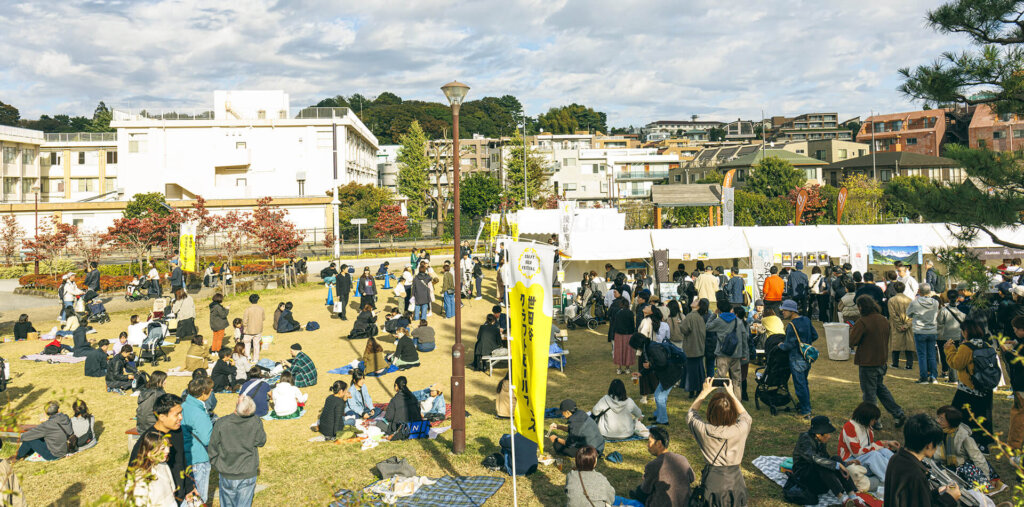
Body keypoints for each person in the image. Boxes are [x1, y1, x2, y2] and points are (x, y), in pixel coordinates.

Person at [129, 394, 199, 504]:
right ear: (162, 417)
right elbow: (131, 478)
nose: (181, 417)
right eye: (177, 414)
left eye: (181, 413)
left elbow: (181, 460)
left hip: (179, 498)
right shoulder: (147, 443)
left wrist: (189, 488)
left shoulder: (177, 431)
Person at [849, 296, 907, 429]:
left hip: (868, 362)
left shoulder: (863, 322)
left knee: (869, 394)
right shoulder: (883, 320)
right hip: (881, 361)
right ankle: (898, 413)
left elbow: (852, 341)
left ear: (862, 307)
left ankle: (873, 421)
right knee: (880, 389)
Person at [884, 413, 961, 506]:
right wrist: (950, 498)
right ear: (929, 445)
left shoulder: (896, 458)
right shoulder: (916, 474)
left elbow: (913, 499)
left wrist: (936, 492)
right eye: (936, 444)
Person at [944, 318, 996, 451]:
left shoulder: (966, 347)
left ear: (965, 332)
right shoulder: (987, 345)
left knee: (958, 416)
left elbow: (956, 364)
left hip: (968, 388)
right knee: (982, 416)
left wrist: (949, 350)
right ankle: (983, 444)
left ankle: (955, 443)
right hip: (984, 387)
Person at [791, 415, 863, 506]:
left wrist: (844, 463)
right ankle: (842, 498)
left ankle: (852, 496)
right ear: (818, 434)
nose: (829, 436)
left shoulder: (820, 440)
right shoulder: (805, 439)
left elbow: (826, 458)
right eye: (827, 434)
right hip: (804, 479)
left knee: (836, 458)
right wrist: (836, 465)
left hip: (819, 478)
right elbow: (813, 458)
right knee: (822, 464)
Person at [210, 394, 266, 507]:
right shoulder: (255, 421)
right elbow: (261, 441)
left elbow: (212, 447)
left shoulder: (221, 423)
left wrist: (218, 465)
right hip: (247, 472)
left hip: (227, 472)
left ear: (237, 405)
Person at [935, 405, 1004, 493]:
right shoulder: (937, 431)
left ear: (950, 422)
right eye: (938, 418)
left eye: (941, 419)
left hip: (961, 466)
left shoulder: (964, 437)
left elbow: (977, 457)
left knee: (972, 478)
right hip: (944, 464)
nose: (937, 421)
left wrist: (985, 477)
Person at [838, 402, 900, 480]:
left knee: (884, 451)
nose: (875, 422)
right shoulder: (849, 427)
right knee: (874, 455)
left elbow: (869, 446)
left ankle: (902, 468)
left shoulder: (867, 427)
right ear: (866, 418)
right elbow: (857, 452)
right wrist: (881, 444)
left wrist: (885, 444)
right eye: (874, 419)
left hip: (864, 457)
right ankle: (891, 478)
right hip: (850, 461)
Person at [779, 299, 818, 418]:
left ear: (792, 311)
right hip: (807, 357)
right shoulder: (806, 320)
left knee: (800, 385)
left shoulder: (791, 325)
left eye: (785, 310)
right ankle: (804, 405)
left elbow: (788, 345)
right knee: (804, 383)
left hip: (796, 358)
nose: (783, 312)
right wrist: (805, 343)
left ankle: (805, 411)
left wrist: (780, 345)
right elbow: (815, 335)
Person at [707, 301, 748, 400]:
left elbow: (707, 326)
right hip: (736, 353)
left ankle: (720, 400)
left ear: (719, 310)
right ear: (731, 310)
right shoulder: (738, 321)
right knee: (736, 379)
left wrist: (714, 314)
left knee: (721, 378)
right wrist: (744, 353)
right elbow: (744, 338)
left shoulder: (719, 320)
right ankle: (737, 401)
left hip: (722, 353)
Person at [182, 378, 214, 503]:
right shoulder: (199, 413)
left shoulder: (184, 405)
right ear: (203, 393)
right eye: (210, 390)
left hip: (186, 455)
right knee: (199, 498)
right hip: (199, 457)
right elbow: (207, 439)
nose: (212, 391)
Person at [128, 431, 178, 507]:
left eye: (168, 446)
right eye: (163, 448)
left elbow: (172, 490)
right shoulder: (141, 476)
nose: (168, 451)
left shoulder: (164, 465)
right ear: (149, 451)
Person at [1003, 316, 1024, 451]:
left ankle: (1014, 446)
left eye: (1016, 329)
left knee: (1018, 415)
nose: (1014, 331)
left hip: (1021, 384)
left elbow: (1017, 361)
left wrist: (1008, 352)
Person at [937, 290, 966, 383]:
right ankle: (961, 378)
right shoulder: (963, 308)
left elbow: (939, 322)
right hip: (961, 335)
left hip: (948, 336)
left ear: (948, 298)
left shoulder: (944, 310)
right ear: (958, 298)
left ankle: (953, 378)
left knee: (951, 356)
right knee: (962, 357)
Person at [887, 281, 915, 370]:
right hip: (908, 324)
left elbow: (893, 315)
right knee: (908, 344)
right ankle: (909, 364)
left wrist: (899, 325)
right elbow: (913, 315)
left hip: (896, 325)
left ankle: (895, 363)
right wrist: (906, 325)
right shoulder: (910, 300)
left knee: (896, 344)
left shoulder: (891, 300)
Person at [611, 295, 637, 375]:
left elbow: (615, 325)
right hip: (629, 334)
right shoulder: (630, 313)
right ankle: (627, 369)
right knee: (628, 351)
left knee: (619, 351)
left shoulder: (618, 313)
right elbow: (633, 325)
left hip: (619, 334)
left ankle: (619, 369)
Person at [241, 294, 264, 362]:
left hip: (248, 330)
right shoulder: (261, 309)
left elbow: (245, 320)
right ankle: (255, 359)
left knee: (247, 344)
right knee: (256, 345)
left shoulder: (247, 309)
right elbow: (263, 318)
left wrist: (245, 327)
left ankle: (248, 357)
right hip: (258, 329)